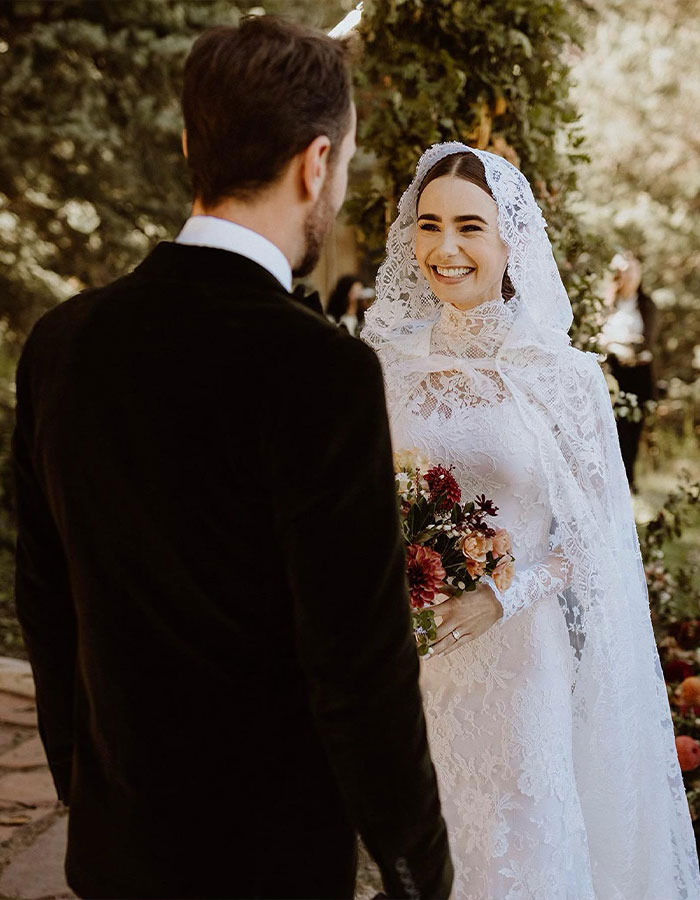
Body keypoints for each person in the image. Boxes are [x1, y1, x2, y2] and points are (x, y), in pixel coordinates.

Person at [12, 18, 452, 900]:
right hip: (270, 862)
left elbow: (46, 605)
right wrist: (416, 869)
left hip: (116, 852)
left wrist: (87, 796)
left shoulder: (62, 344)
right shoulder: (322, 371)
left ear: (189, 144)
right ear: (315, 163)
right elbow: (358, 667)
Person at [362, 142, 700, 898]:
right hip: (407, 662)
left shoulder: (566, 377)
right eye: (429, 225)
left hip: (518, 662)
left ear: (512, 239)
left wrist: (499, 597)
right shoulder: (382, 369)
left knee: (517, 850)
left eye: (469, 227)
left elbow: (596, 541)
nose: (444, 248)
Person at [600, 251, 658, 491]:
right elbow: (600, 336)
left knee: (633, 429)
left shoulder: (646, 305)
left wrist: (621, 343)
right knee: (612, 428)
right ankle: (611, 481)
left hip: (639, 374)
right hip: (613, 372)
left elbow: (648, 341)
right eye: (626, 272)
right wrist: (616, 344)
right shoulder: (607, 304)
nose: (631, 276)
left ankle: (630, 481)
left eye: (635, 271)